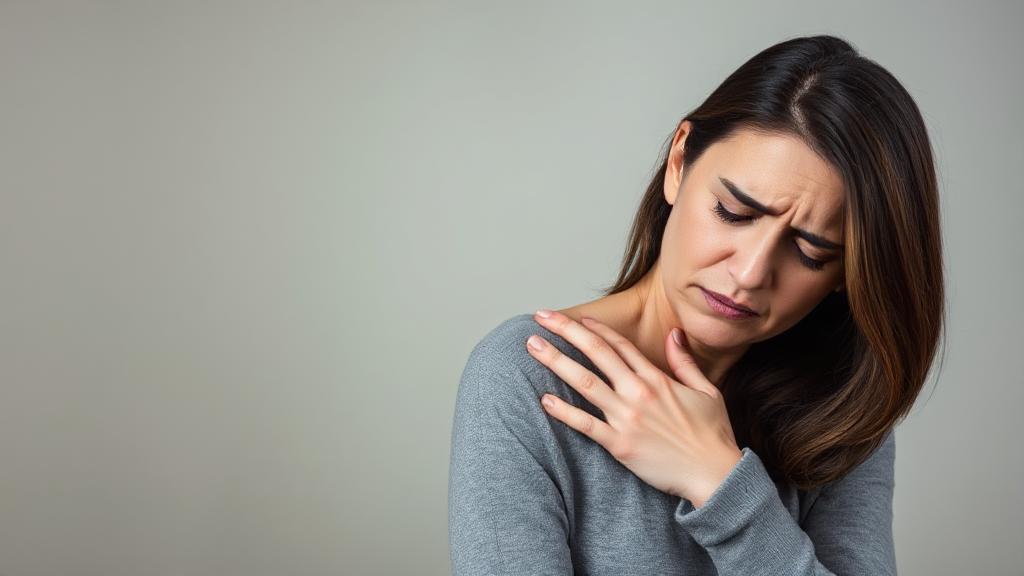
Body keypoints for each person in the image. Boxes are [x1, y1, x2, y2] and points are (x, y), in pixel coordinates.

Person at [449, 34, 945, 575]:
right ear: (680, 161)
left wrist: (718, 483)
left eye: (810, 251)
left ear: (848, 274)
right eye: (733, 212)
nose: (750, 272)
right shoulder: (527, 376)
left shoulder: (844, 411)